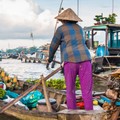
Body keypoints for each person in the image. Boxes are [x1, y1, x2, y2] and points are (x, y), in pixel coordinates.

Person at [47, 8, 93, 110]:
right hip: (85, 59)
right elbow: (86, 43)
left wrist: (50, 59)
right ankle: (90, 113)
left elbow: (53, 46)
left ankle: (72, 112)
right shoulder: (80, 28)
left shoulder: (60, 29)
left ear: (63, 20)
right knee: (87, 90)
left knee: (70, 90)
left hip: (70, 61)